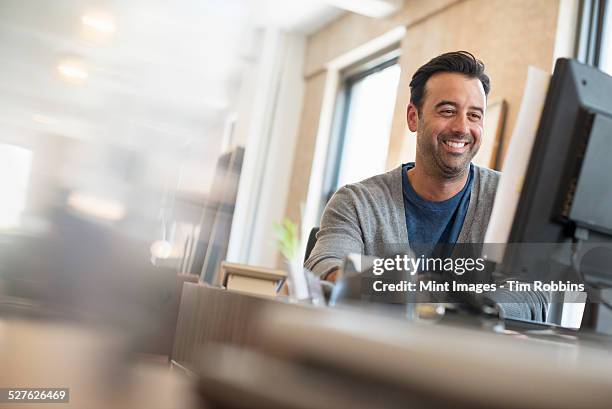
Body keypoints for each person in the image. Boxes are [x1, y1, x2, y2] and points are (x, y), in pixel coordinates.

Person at [305, 51, 547, 321]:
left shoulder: (511, 201)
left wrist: (467, 313)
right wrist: (407, 295)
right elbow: (325, 265)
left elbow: (533, 292)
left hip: (473, 358)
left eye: (475, 115)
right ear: (413, 117)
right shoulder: (357, 202)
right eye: (448, 111)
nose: (461, 127)